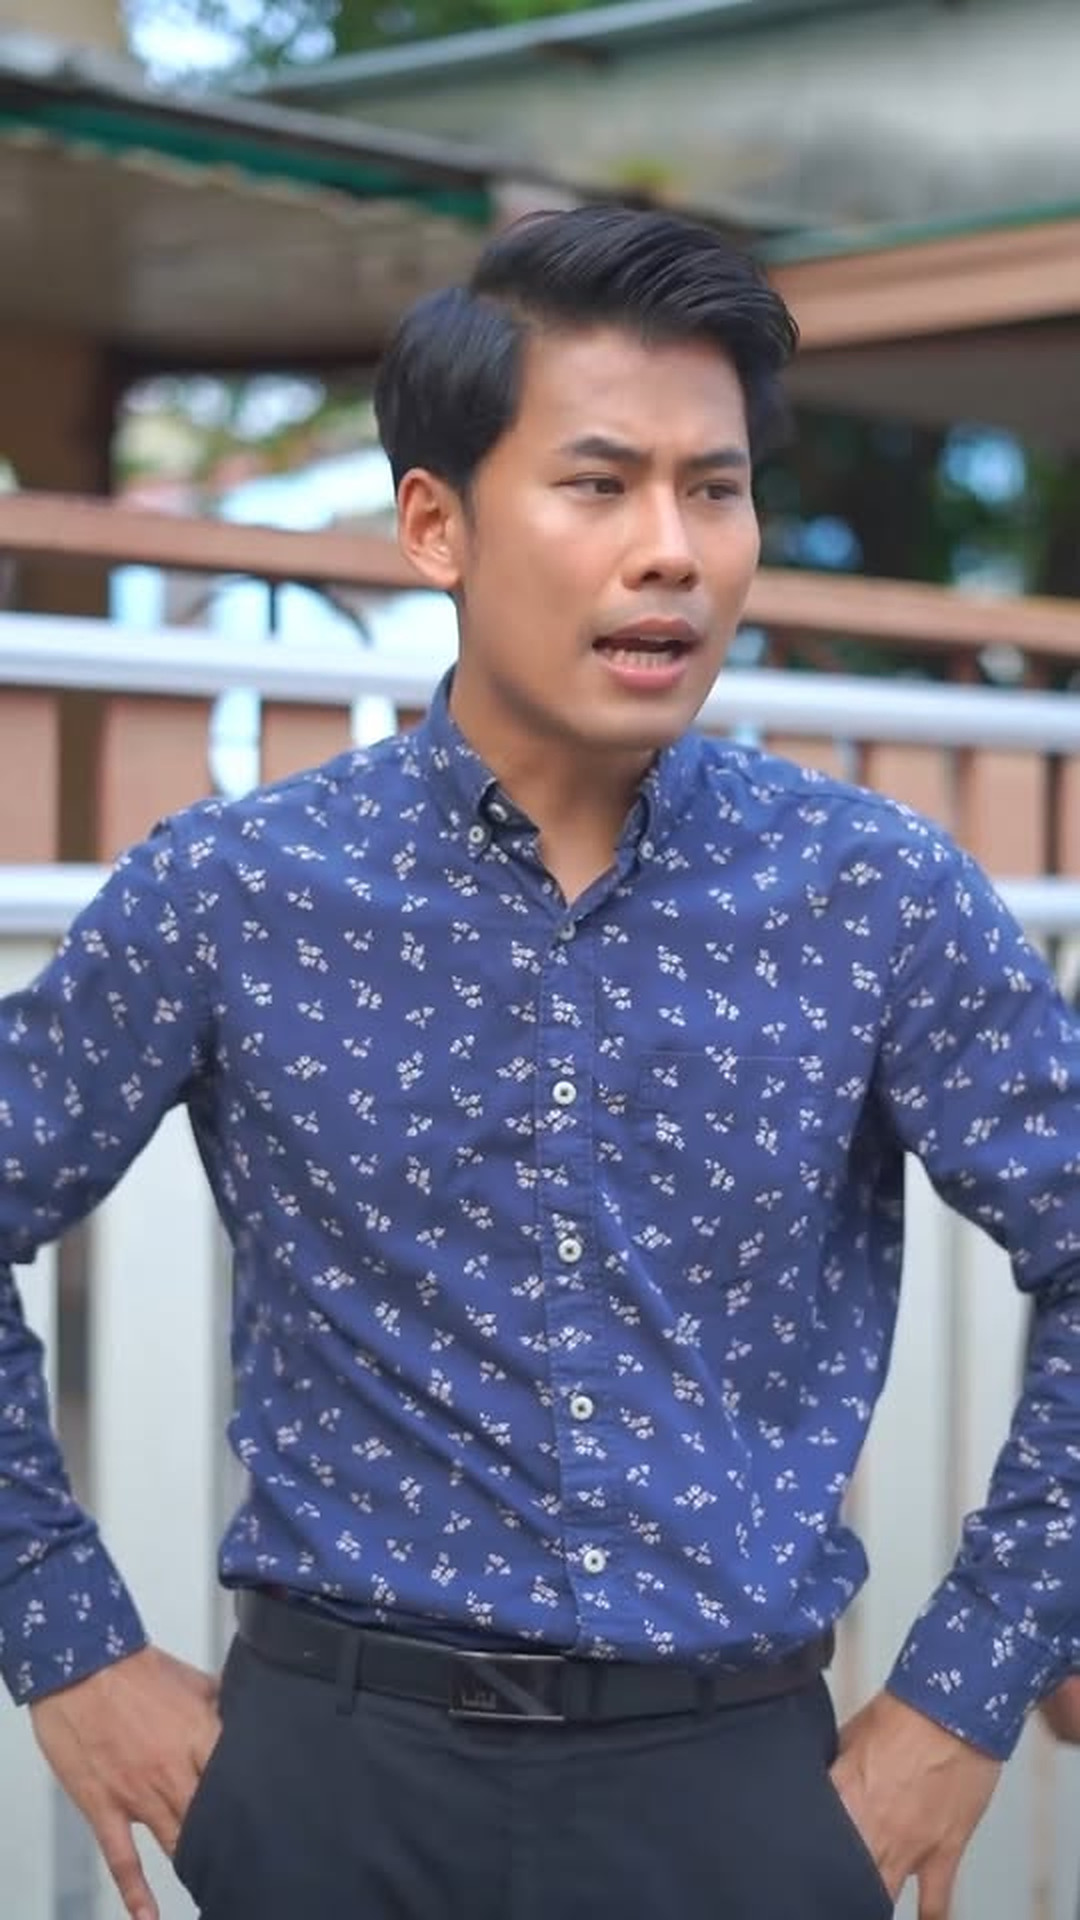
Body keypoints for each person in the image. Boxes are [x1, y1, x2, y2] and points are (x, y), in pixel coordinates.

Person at [2, 205, 1079, 1920]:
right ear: (437, 522)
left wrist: (970, 1684)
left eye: (714, 489)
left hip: (736, 1800)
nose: (671, 552)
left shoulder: (875, 897)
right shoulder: (236, 892)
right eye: (598, 483)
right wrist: (67, 1642)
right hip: (331, 1791)